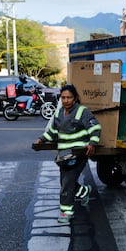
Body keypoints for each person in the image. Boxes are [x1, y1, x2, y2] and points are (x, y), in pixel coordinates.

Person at [34, 84, 101, 223]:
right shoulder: (58, 113)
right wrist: (41, 139)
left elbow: (95, 127)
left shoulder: (82, 111)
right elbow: (52, 132)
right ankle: (84, 191)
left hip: (78, 154)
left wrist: (93, 143)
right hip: (64, 155)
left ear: (75, 98)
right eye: (63, 97)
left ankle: (67, 212)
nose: (66, 100)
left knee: (67, 182)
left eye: (69, 97)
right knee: (65, 181)